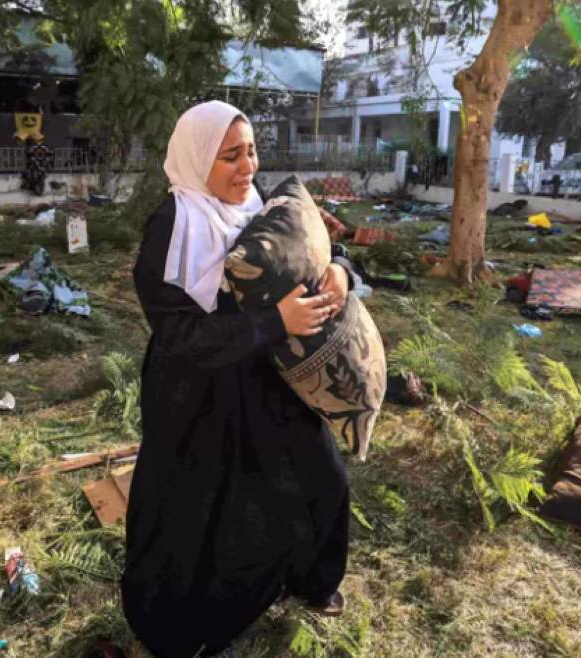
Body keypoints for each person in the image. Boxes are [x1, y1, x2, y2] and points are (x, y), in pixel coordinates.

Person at [122, 101, 353, 658]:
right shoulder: (172, 226)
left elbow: (313, 244)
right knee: (198, 513)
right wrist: (275, 322)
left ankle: (311, 580)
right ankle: (183, 626)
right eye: (230, 156)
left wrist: (344, 271)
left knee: (321, 477)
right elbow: (179, 337)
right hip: (197, 394)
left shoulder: (257, 204)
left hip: (268, 379)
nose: (247, 166)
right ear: (197, 158)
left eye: (250, 150)